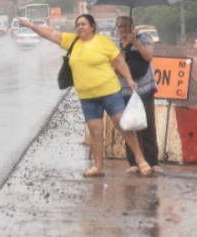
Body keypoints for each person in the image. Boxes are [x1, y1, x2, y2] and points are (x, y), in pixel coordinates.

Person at [18, 14, 152, 178]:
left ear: (92, 26)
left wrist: (130, 80)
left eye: (83, 24)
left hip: (109, 92)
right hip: (87, 97)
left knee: (122, 125)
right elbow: (52, 34)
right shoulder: (72, 42)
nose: (80, 27)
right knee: (95, 131)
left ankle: (141, 160)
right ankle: (98, 166)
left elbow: (119, 62)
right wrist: (31, 25)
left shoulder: (103, 42)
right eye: (78, 25)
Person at [115, 15, 161, 174]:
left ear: (133, 26)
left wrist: (135, 42)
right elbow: (114, 70)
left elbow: (149, 56)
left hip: (145, 89)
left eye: (126, 26)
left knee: (147, 125)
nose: (123, 29)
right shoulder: (116, 45)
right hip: (125, 92)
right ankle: (133, 162)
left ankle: (153, 162)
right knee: (129, 126)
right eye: (120, 27)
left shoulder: (144, 38)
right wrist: (119, 57)